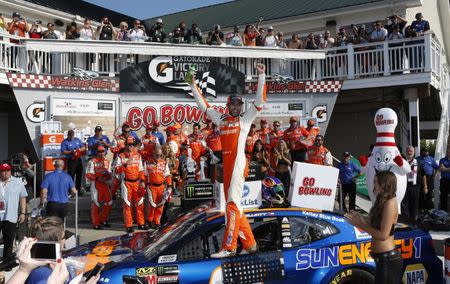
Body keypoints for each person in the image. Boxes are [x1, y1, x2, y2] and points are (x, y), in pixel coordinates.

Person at [188, 63, 267, 258]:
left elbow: (260, 100)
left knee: (231, 204)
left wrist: (262, 75)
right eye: (233, 104)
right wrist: (192, 84)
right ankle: (250, 244)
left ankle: (229, 246)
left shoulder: (245, 119)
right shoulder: (221, 119)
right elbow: (203, 105)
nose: (236, 107)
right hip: (227, 165)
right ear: (228, 105)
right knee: (236, 205)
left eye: (239, 104)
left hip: (239, 165)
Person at [345, 171, 403, 283]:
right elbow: (375, 223)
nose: (374, 185)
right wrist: (359, 217)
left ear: (385, 184)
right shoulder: (382, 200)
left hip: (388, 258)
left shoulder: (390, 203)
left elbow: (383, 235)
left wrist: (359, 224)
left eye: (376, 182)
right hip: (382, 258)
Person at [113, 137, 146, 232]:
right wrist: (124, 165)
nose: (130, 146)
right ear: (125, 145)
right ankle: (129, 225)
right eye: (129, 144)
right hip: (126, 182)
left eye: (132, 144)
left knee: (140, 203)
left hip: (137, 182)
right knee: (127, 204)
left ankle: (141, 224)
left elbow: (141, 170)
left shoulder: (138, 156)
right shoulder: (120, 156)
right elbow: (116, 170)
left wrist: (142, 181)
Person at [0, 162, 27, 260]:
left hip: (10, 216)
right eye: (3, 171)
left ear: (10, 171)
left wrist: (23, 213)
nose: (5, 173)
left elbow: (22, 198)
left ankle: (6, 262)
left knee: (9, 241)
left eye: (8, 170)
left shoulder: (18, 182)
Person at [86, 146, 112, 230]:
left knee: (109, 202)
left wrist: (108, 177)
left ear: (105, 152)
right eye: (99, 151)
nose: (101, 153)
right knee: (95, 203)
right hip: (96, 184)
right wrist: (97, 178)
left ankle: (103, 220)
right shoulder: (92, 162)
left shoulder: (108, 161)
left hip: (105, 184)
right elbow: (88, 174)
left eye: (102, 151)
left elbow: (110, 173)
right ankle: (96, 223)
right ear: (97, 152)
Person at [145, 146, 172, 229]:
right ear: (153, 153)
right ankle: (150, 220)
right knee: (152, 205)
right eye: (157, 155)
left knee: (160, 205)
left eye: (160, 155)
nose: (158, 157)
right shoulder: (147, 163)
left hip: (161, 187)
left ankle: (157, 222)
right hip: (151, 187)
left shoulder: (164, 163)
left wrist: (170, 185)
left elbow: (167, 175)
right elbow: (144, 175)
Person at [61, 130, 85, 195]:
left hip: (78, 159)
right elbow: (63, 151)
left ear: (74, 135)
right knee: (71, 176)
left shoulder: (77, 140)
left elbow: (83, 147)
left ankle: (78, 190)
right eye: (70, 136)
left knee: (79, 176)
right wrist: (71, 152)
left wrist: (79, 150)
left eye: (72, 136)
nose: (71, 138)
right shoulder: (65, 142)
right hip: (71, 160)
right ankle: (70, 191)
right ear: (68, 135)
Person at [401, 146, 420, 220]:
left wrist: (424, 186)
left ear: (413, 152)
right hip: (404, 187)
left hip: (414, 187)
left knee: (414, 206)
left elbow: (422, 175)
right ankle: (405, 221)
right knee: (404, 205)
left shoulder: (417, 162)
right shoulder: (402, 162)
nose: (409, 152)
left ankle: (413, 221)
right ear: (406, 151)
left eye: (411, 151)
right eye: (408, 151)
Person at [438, 147, 450, 211]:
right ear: (446, 152)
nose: (449, 153)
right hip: (444, 181)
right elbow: (440, 169)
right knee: (443, 196)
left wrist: (445, 169)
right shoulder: (442, 160)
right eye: (448, 152)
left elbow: (443, 169)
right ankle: (443, 211)